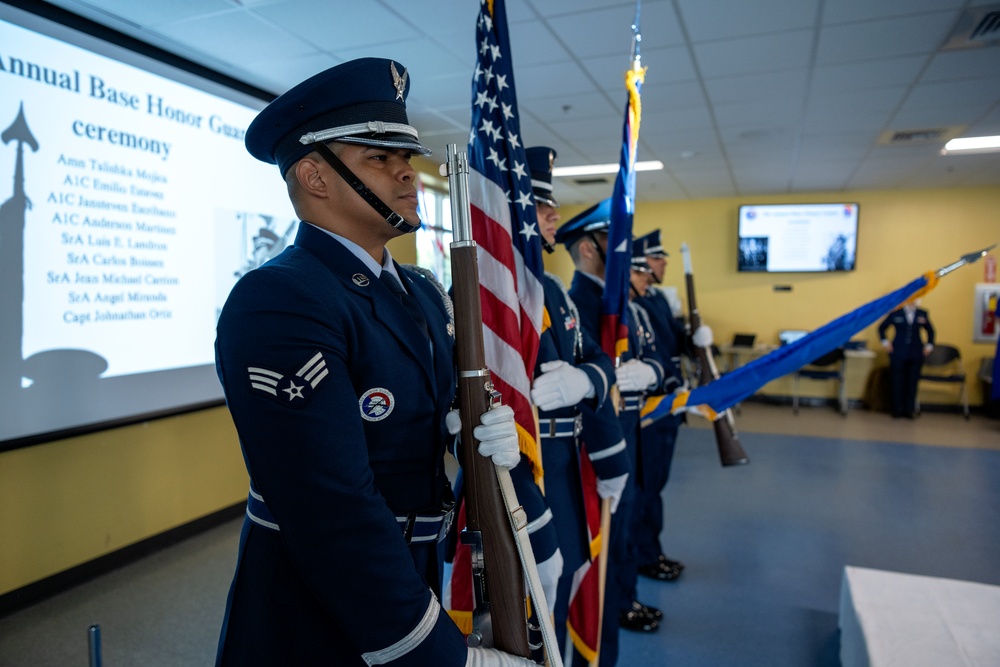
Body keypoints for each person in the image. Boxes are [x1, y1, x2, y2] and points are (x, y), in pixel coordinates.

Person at [215, 58, 535, 667]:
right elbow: (329, 506)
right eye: (378, 159)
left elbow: (436, 416)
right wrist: (444, 656)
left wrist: (477, 434)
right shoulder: (281, 298)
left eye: (405, 159)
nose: (407, 176)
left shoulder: (420, 291)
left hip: (411, 569)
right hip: (318, 595)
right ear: (315, 176)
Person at [524, 147, 630, 658]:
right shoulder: (484, 290)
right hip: (523, 474)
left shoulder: (552, 291)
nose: (554, 215)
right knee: (524, 615)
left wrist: (586, 381)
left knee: (565, 593)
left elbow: (600, 362)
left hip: (568, 470)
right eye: (540, 204)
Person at [555, 200, 670, 667]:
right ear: (588, 247)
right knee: (597, 561)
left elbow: (658, 359)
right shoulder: (574, 304)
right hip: (593, 457)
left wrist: (653, 372)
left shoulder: (620, 305)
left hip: (633, 440)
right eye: (614, 243)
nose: (625, 253)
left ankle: (620, 611)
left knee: (623, 538)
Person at [630, 229, 700, 582]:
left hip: (668, 403)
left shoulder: (655, 298)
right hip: (652, 407)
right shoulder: (635, 302)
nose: (663, 264)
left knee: (657, 484)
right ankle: (644, 555)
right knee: (647, 487)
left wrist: (694, 339)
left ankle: (651, 549)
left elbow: (673, 339)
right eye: (657, 259)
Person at [878, 298, 935, 418]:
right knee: (897, 381)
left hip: (916, 352)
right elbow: (882, 328)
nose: (913, 301)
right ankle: (897, 409)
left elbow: (931, 331)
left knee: (912, 382)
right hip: (898, 352)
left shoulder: (922, 314)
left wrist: (929, 345)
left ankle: (909, 409)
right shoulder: (896, 313)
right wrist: (885, 343)